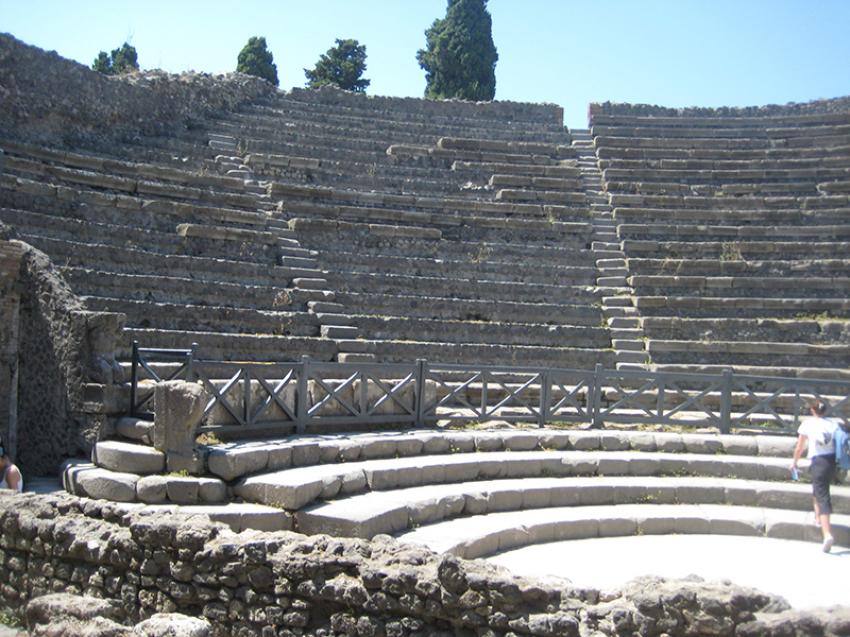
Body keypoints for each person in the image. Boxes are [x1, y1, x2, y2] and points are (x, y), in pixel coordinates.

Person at [790, 400, 837, 552]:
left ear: (812, 410)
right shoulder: (833, 424)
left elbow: (799, 447)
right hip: (832, 462)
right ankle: (818, 518)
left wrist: (794, 462)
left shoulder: (808, 424)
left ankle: (827, 533)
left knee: (823, 496)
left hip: (818, 461)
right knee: (818, 490)